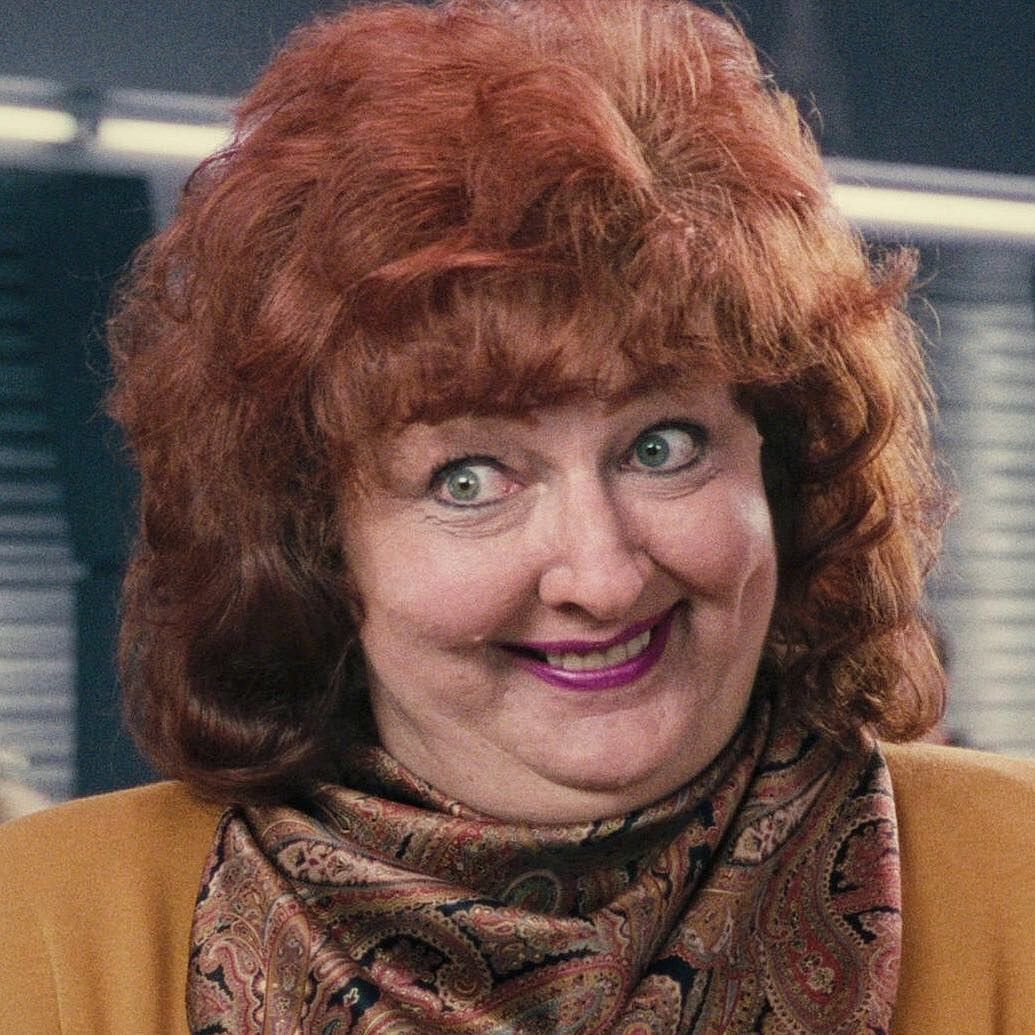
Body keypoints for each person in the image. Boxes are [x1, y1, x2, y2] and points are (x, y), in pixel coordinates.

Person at [2, 1, 1033, 1032]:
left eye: (662, 446)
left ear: (783, 467)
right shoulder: (39, 926)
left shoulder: (1014, 878)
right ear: (312, 543)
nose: (604, 577)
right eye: (468, 480)